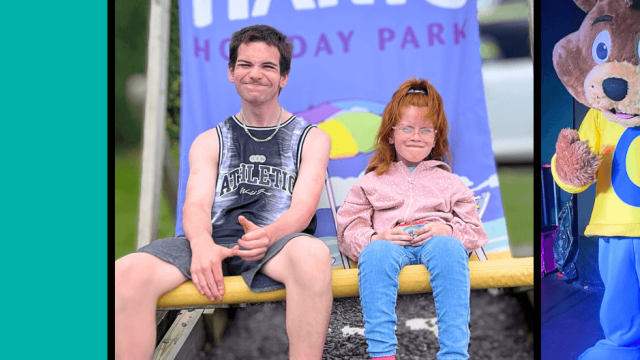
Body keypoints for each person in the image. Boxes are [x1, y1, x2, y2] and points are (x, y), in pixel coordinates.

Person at [115, 25, 333, 360]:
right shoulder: (210, 141)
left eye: (268, 66)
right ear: (231, 72)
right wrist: (202, 245)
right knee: (125, 272)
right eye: (245, 64)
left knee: (314, 256)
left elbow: (302, 209)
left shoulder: (311, 138)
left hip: (276, 243)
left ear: (284, 77)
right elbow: (196, 206)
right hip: (211, 241)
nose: (255, 74)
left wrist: (268, 234)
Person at [336, 78, 488, 360]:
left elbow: (474, 229)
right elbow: (349, 226)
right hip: (391, 242)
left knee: (449, 247)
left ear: (435, 137)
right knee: (377, 253)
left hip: (436, 241)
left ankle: (454, 353)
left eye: (425, 130)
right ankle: (382, 354)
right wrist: (375, 237)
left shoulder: (450, 182)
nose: (416, 136)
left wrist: (446, 228)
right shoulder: (372, 181)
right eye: (407, 128)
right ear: (391, 134)